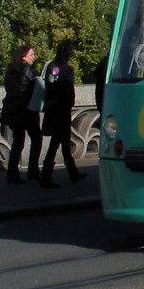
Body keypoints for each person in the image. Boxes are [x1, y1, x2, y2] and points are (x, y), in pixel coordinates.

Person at [40, 40, 86, 188]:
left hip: (51, 109)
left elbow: (48, 86)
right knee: (57, 143)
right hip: (62, 110)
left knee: (63, 143)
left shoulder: (51, 67)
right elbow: (68, 91)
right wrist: (70, 103)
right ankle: (46, 175)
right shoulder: (68, 69)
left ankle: (73, 173)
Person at [1, 44, 43, 184]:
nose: (33, 57)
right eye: (31, 54)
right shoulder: (27, 70)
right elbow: (35, 88)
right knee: (36, 139)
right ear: (24, 56)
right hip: (26, 112)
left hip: (11, 110)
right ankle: (33, 170)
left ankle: (12, 173)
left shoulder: (10, 70)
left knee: (18, 142)